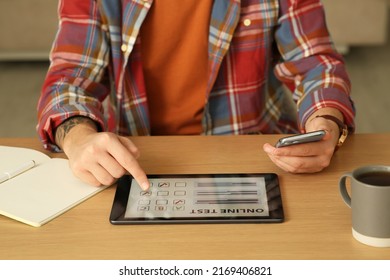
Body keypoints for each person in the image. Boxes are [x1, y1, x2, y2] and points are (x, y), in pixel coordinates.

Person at [37, 0, 355, 190]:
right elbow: (70, 80)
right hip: (134, 163)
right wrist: (77, 138)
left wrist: (326, 121)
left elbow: (317, 64)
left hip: (257, 158)